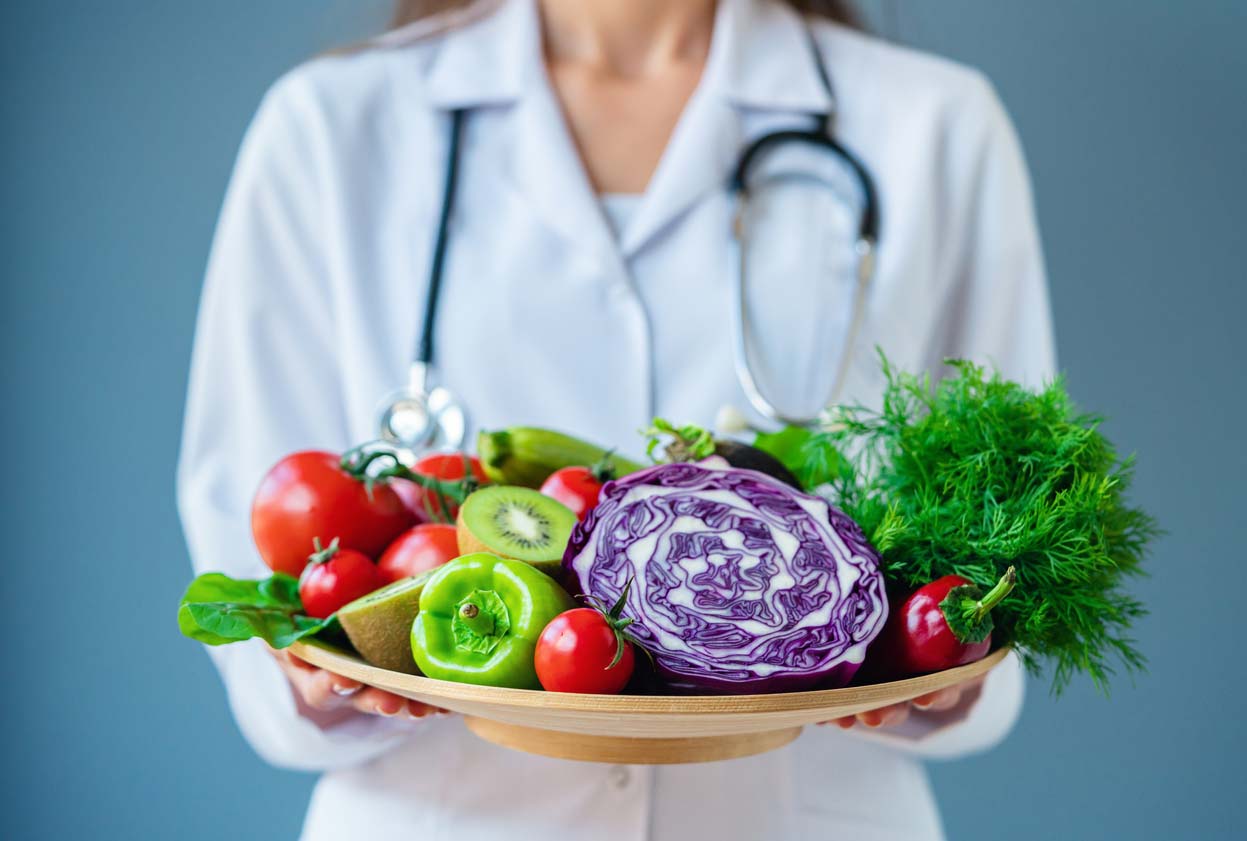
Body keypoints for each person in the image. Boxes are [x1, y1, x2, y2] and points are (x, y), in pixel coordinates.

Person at [177, 0, 1053, 838]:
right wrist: (316, 675)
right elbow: (247, 528)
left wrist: (942, 667)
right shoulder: (331, 123)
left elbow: (1014, 550)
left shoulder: (934, 124)